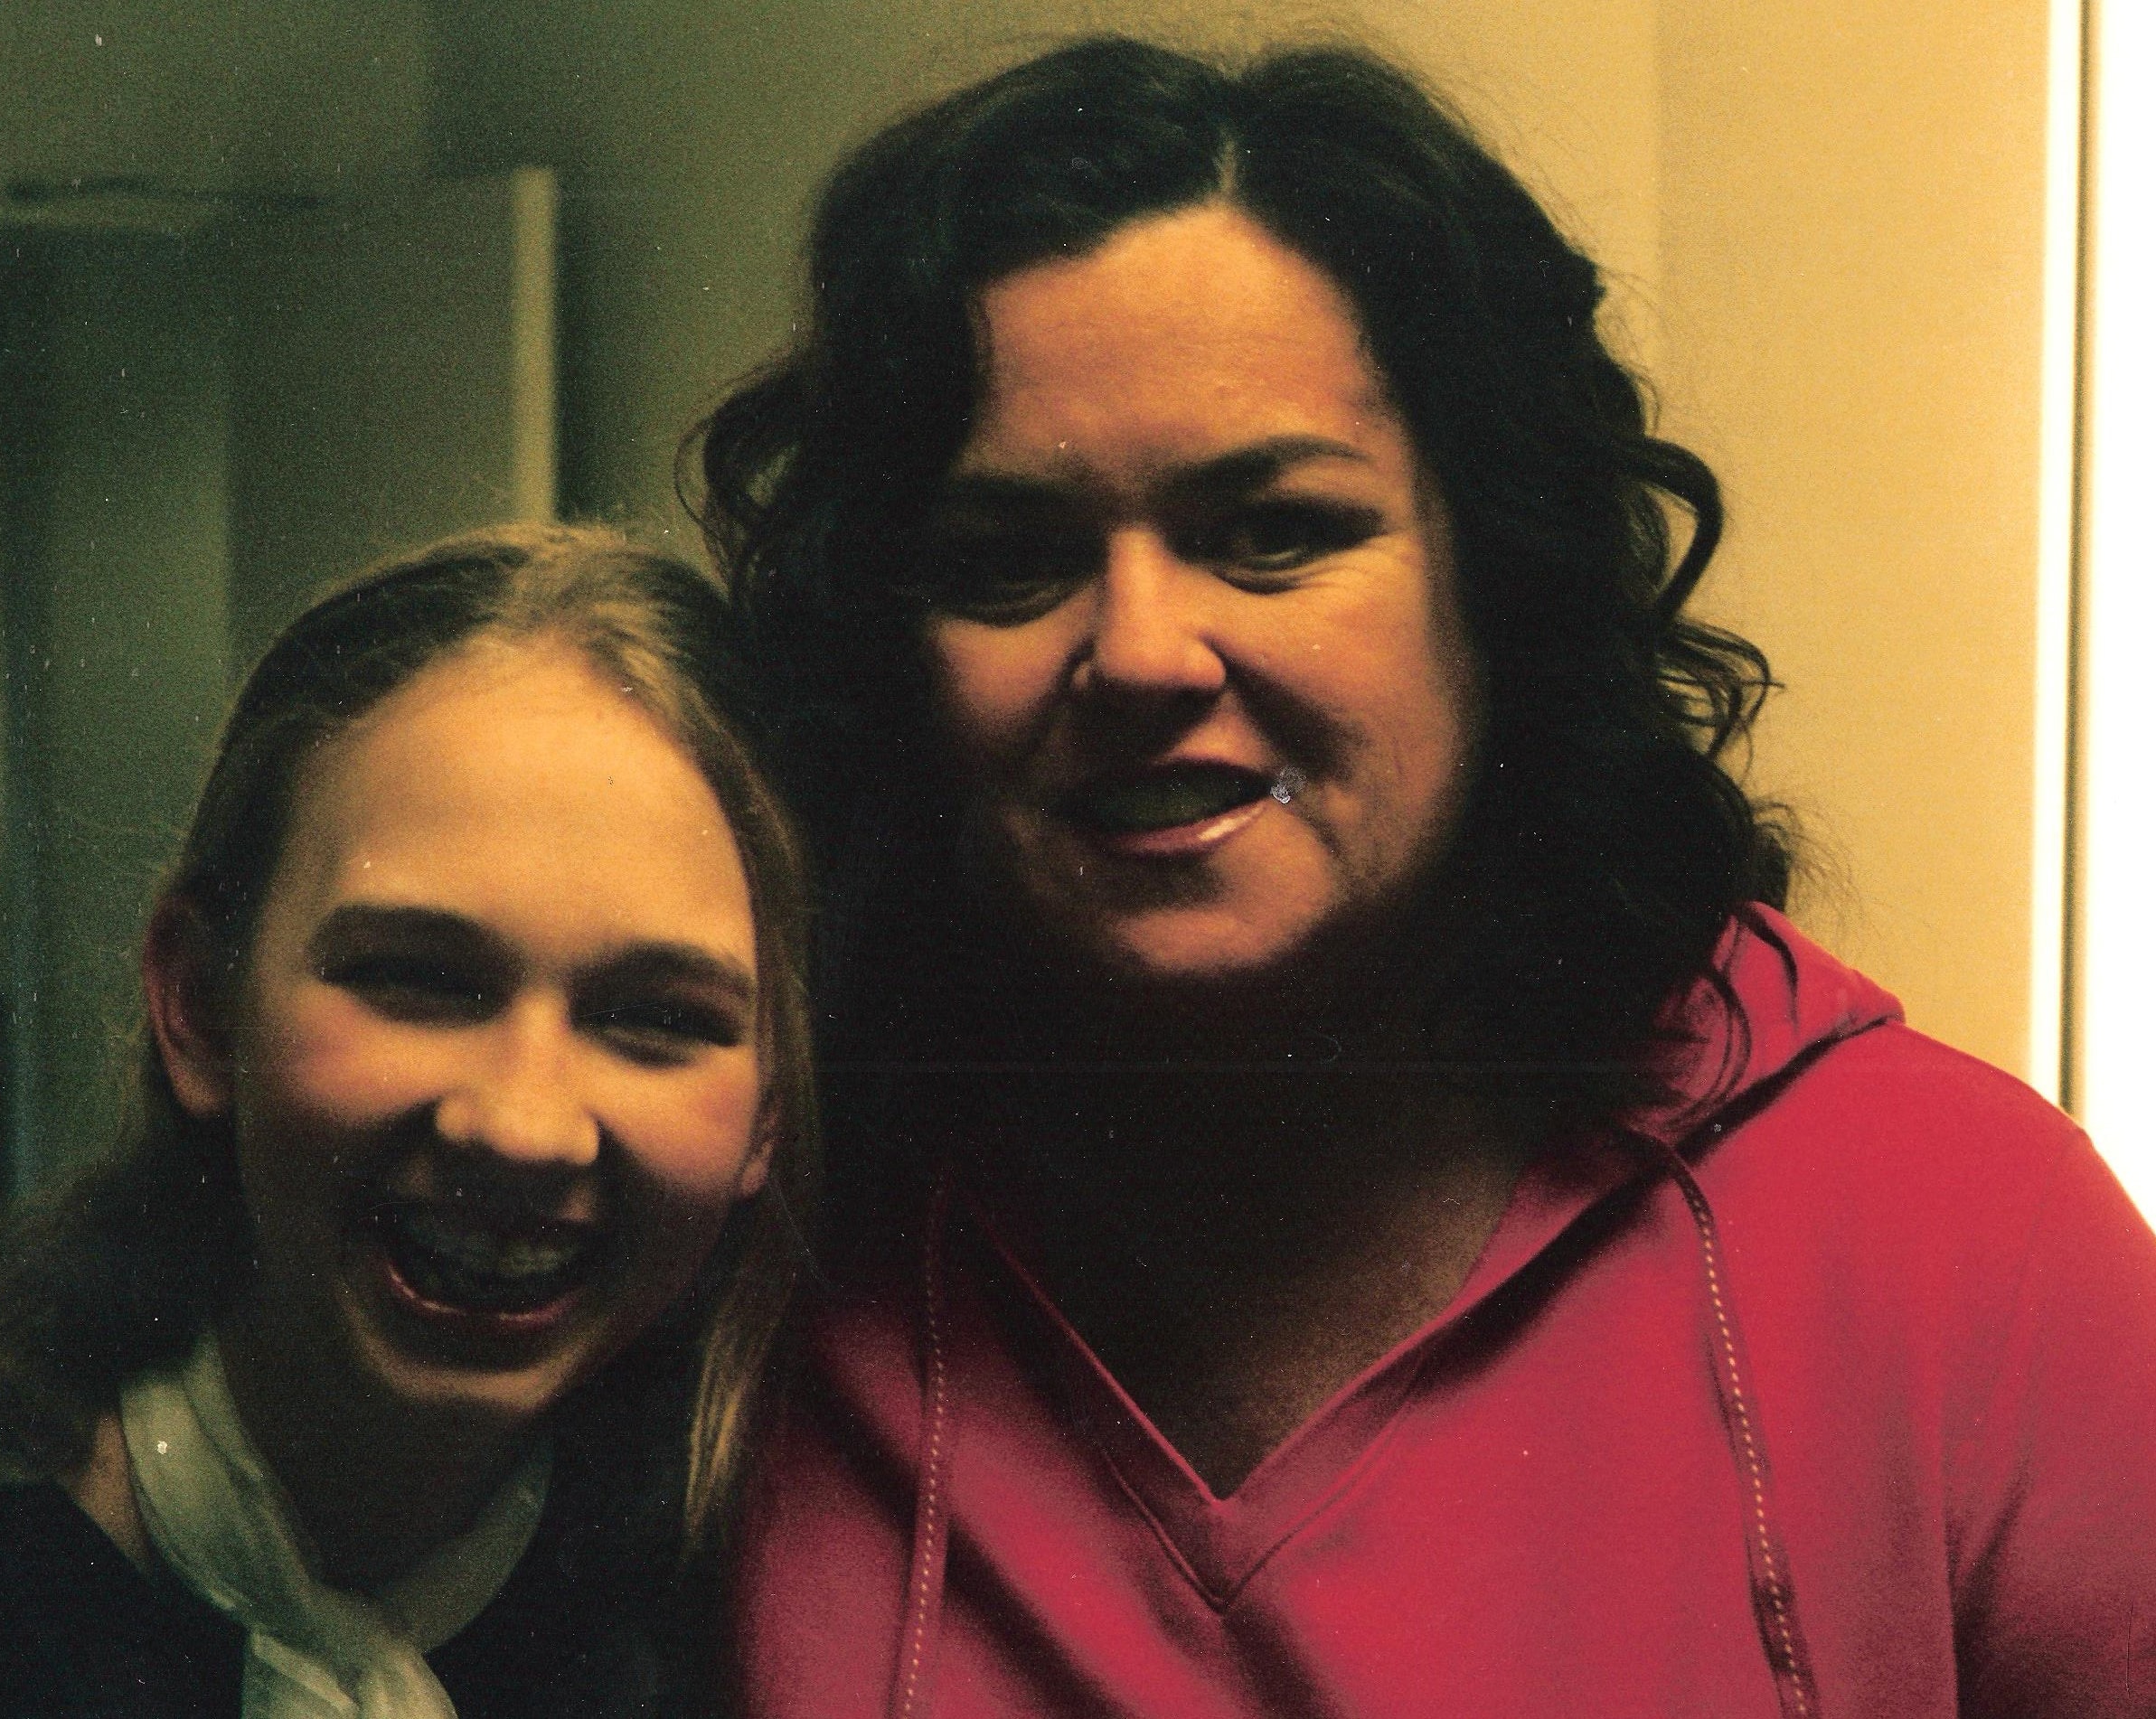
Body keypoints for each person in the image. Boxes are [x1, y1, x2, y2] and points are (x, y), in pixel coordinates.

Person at [697, 37, 2156, 1718]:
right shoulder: (761, 1255)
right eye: (1007, 560)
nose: (1142, 652)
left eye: (1271, 532)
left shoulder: (1965, 1247)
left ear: (1500, 581)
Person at [0, 523, 815, 1718]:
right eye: (416, 978)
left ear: (769, 1109)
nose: (523, 1125)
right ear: (200, 1005)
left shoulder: (750, 1631)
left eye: (657, 1016)